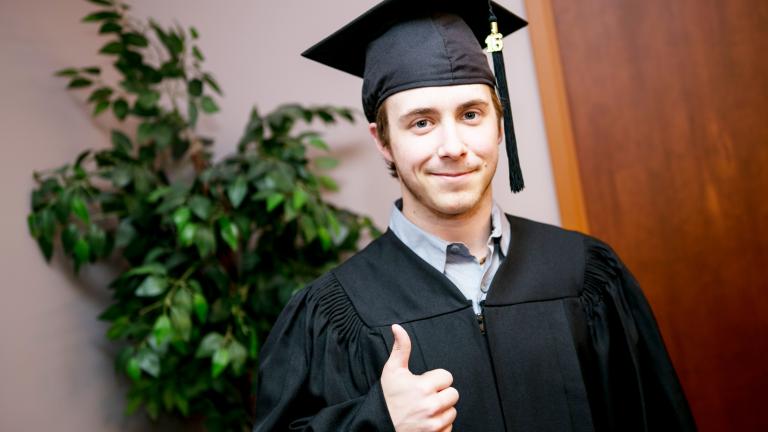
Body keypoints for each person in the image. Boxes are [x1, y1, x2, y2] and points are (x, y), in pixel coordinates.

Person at [252, 0, 696, 431]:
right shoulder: (335, 314)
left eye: (470, 114)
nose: (452, 145)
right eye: (421, 122)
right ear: (382, 140)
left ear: (499, 124)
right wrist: (378, 422)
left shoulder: (586, 275)